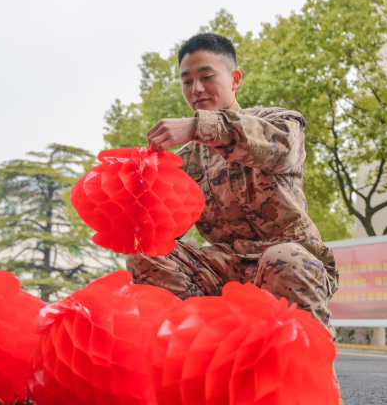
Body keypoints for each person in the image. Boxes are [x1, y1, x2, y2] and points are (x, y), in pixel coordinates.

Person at [126, 33, 342, 401]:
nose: (196, 89)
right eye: (187, 80)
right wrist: (141, 190)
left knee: (283, 258)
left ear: (235, 78)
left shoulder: (276, 121)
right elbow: (170, 228)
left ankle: (313, 389)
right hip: (224, 269)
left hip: (286, 262)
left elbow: (280, 148)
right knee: (144, 250)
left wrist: (199, 126)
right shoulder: (188, 158)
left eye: (207, 76)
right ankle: (196, 369)